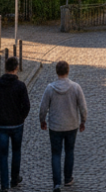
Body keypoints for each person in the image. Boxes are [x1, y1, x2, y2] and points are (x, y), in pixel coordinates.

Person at [39, 61, 87, 192]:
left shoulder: (50, 88)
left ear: (56, 72)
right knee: (69, 151)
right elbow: (83, 107)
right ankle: (68, 179)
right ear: (68, 71)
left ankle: (56, 183)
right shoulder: (76, 87)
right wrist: (83, 121)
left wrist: (42, 120)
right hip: (71, 125)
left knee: (56, 154)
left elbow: (43, 107)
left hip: (55, 126)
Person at [0, 57, 30, 192]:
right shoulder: (20, 86)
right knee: (16, 152)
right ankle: (15, 178)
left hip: (2, 125)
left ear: (5, 68)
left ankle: (4, 186)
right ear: (16, 68)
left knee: (3, 155)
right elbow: (27, 106)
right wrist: (21, 117)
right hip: (17, 124)